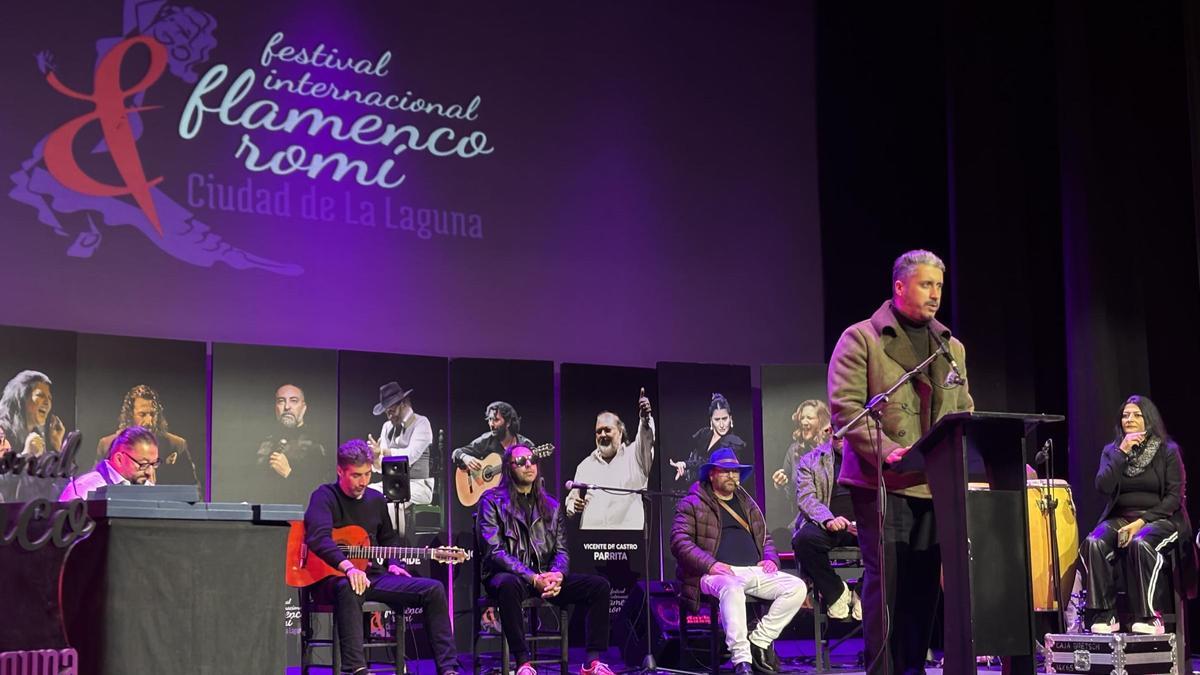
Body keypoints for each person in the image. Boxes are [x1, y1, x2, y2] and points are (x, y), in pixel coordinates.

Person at [828, 249, 973, 675]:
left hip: (934, 482)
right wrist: (885, 449)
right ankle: (883, 669)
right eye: (926, 285)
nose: (935, 295)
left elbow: (963, 405)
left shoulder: (951, 348)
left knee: (925, 584)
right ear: (899, 286)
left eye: (939, 287)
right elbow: (845, 409)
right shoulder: (861, 338)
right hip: (882, 482)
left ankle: (913, 668)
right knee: (887, 584)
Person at [303, 439, 460, 675]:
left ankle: (449, 669)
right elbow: (318, 538)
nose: (363, 481)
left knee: (434, 589)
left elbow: (389, 540)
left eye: (367, 474)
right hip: (332, 579)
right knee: (349, 587)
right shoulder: (324, 496)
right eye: (356, 475)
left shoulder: (375, 500)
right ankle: (356, 669)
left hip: (373, 577)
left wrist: (394, 564)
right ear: (340, 471)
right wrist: (348, 567)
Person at [478, 444, 614, 675]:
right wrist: (532, 578)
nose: (528, 465)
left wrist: (557, 575)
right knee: (509, 585)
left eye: (531, 460)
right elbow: (495, 551)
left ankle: (591, 662)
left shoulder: (551, 505)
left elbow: (561, 551)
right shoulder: (491, 501)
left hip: (545, 578)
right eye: (521, 462)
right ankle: (523, 663)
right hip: (512, 577)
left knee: (599, 586)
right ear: (509, 469)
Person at [670, 447, 807, 675]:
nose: (732, 476)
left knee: (796, 587)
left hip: (753, 570)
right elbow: (679, 542)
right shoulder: (693, 502)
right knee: (732, 589)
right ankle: (741, 659)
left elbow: (765, 537)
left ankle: (759, 640)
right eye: (725, 471)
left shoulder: (748, 503)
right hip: (712, 574)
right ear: (712, 474)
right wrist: (710, 564)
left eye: (735, 471)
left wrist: (771, 558)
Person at [1081, 395, 1196, 635]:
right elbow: (1103, 486)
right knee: (1094, 542)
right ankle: (1105, 614)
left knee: (1141, 541)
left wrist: (1140, 522)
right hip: (1122, 517)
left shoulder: (1167, 451)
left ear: (1149, 419)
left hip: (1162, 519)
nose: (1129, 419)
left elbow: (1175, 498)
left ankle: (1151, 616)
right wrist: (1121, 453)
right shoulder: (1112, 451)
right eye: (1125, 415)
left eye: (1136, 415)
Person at [790, 434, 861, 621]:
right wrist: (828, 520)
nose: (842, 439)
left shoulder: (869, 457)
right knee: (803, 540)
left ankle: (863, 593)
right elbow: (806, 498)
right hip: (829, 524)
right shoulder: (810, 460)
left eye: (847, 434)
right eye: (838, 434)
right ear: (831, 430)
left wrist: (866, 522)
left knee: (892, 539)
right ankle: (836, 592)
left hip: (864, 525)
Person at [565, 388, 655, 530]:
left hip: (628, 542)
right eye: (598, 431)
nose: (602, 434)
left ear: (620, 432)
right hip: (592, 543)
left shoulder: (635, 456)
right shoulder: (585, 465)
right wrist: (572, 504)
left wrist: (645, 419)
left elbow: (646, 439)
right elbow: (572, 498)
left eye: (607, 430)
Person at [96, 384, 196, 487]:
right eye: (142, 415)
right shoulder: (107, 444)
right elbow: (98, 481)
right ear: (130, 415)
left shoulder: (177, 445)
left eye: (152, 414)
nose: (149, 421)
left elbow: (193, 491)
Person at [254, 383, 328, 504]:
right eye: (281, 401)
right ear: (275, 407)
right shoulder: (262, 442)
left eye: (294, 401)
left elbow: (320, 495)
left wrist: (288, 473)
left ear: (303, 408)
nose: (287, 407)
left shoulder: (317, 445)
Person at [60, 426, 159, 500]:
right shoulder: (84, 489)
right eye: (144, 464)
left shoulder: (147, 487)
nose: (150, 473)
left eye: (153, 464)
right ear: (119, 459)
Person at [669, 394, 746, 483]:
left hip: (715, 492)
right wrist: (684, 470)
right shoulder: (703, 434)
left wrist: (686, 464)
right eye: (717, 420)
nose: (721, 425)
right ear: (711, 421)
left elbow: (710, 463)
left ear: (730, 419)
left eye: (724, 419)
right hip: (695, 487)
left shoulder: (733, 443)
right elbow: (692, 456)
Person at [771, 400, 831, 501]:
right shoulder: (794, 451)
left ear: (821, 421)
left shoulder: (831, 450)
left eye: (809, 418)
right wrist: (779, 486)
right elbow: (788, 495)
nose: (804, 422)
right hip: (802, 514)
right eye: (802, 418)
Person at [0, 370, 65, 460]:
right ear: (21, 399)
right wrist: (26, 454)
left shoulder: (37, 436)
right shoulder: (2, 431)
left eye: (49, 398)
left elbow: (52, 473)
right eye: (40, 395)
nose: (47, 402)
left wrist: (56, 445)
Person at [452, 401, 535, 472]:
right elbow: (456, 452)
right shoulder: (486, 440)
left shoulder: (526, 445)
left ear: (508, 422)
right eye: (490, 419)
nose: (491, 424)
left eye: (496, 420)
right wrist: (466, 458)